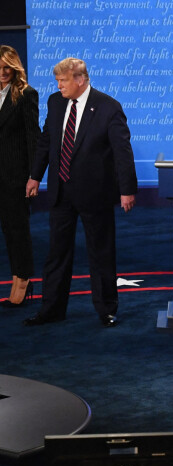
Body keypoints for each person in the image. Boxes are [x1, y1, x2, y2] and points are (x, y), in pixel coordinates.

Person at [25, 57, 137, 327]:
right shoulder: (55, 102)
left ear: (80, 79)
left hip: (95, 192)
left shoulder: (108, 107)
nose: (59, 85)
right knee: (57, 253)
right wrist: (35, 176)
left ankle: (106, 309)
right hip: (61, 191)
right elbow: (47, 141)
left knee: (100, 252)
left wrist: (127, 190)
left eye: (63, 80)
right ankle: (51, 309)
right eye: (57, 81)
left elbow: (122, 152)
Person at [0, 45, 40, 307]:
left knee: (17, 231)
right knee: (8, 230)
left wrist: (34, 176)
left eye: (7, 68)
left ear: (15, 68)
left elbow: (32, 138)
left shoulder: (26, 94)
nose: (3, 73)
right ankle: (17, 280)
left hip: (15, 177)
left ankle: (23, 283)